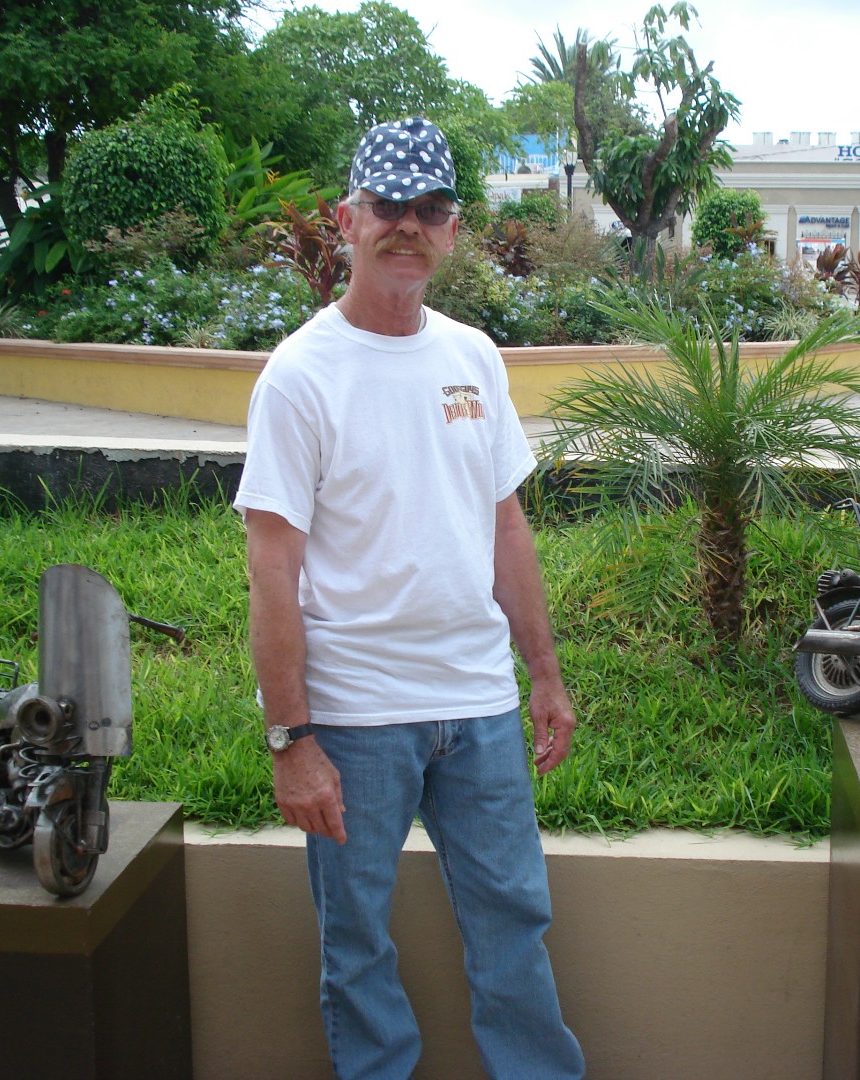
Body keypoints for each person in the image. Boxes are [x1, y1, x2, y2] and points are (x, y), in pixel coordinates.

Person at [233, 117, 585, 1080]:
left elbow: (506, 529)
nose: (407, 226)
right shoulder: (299, 377)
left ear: (453, 231)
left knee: (514, 924)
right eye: (387, 204)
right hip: (355, 718)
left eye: (430, 209)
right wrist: (291, 740)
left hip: (479, 706)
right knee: (356, 947)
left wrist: (544, 675)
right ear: (348, 219)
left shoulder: (474, 357)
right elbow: (272, 573)